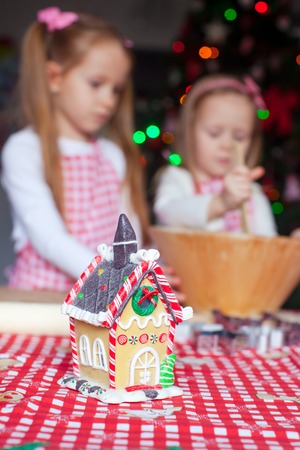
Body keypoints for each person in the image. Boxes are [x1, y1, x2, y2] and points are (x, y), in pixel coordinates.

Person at [1, 7, 150, 291]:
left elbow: (129, 234)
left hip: (104, 304)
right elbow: (49, 239)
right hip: (41, 304)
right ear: (54, 77)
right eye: (96, 84)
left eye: (116, 89)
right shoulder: (24, 150)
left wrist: (136, 272)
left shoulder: (112, 155)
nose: (108, 100)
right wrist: (117, 280)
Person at [153, 73, 277, 236]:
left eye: (239, 137)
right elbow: (167, 212)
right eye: (214, 133)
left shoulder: (250, 191)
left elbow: (267, 244)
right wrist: (221, 202)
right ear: (189, 132)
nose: (227, 145)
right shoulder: (178, 178)